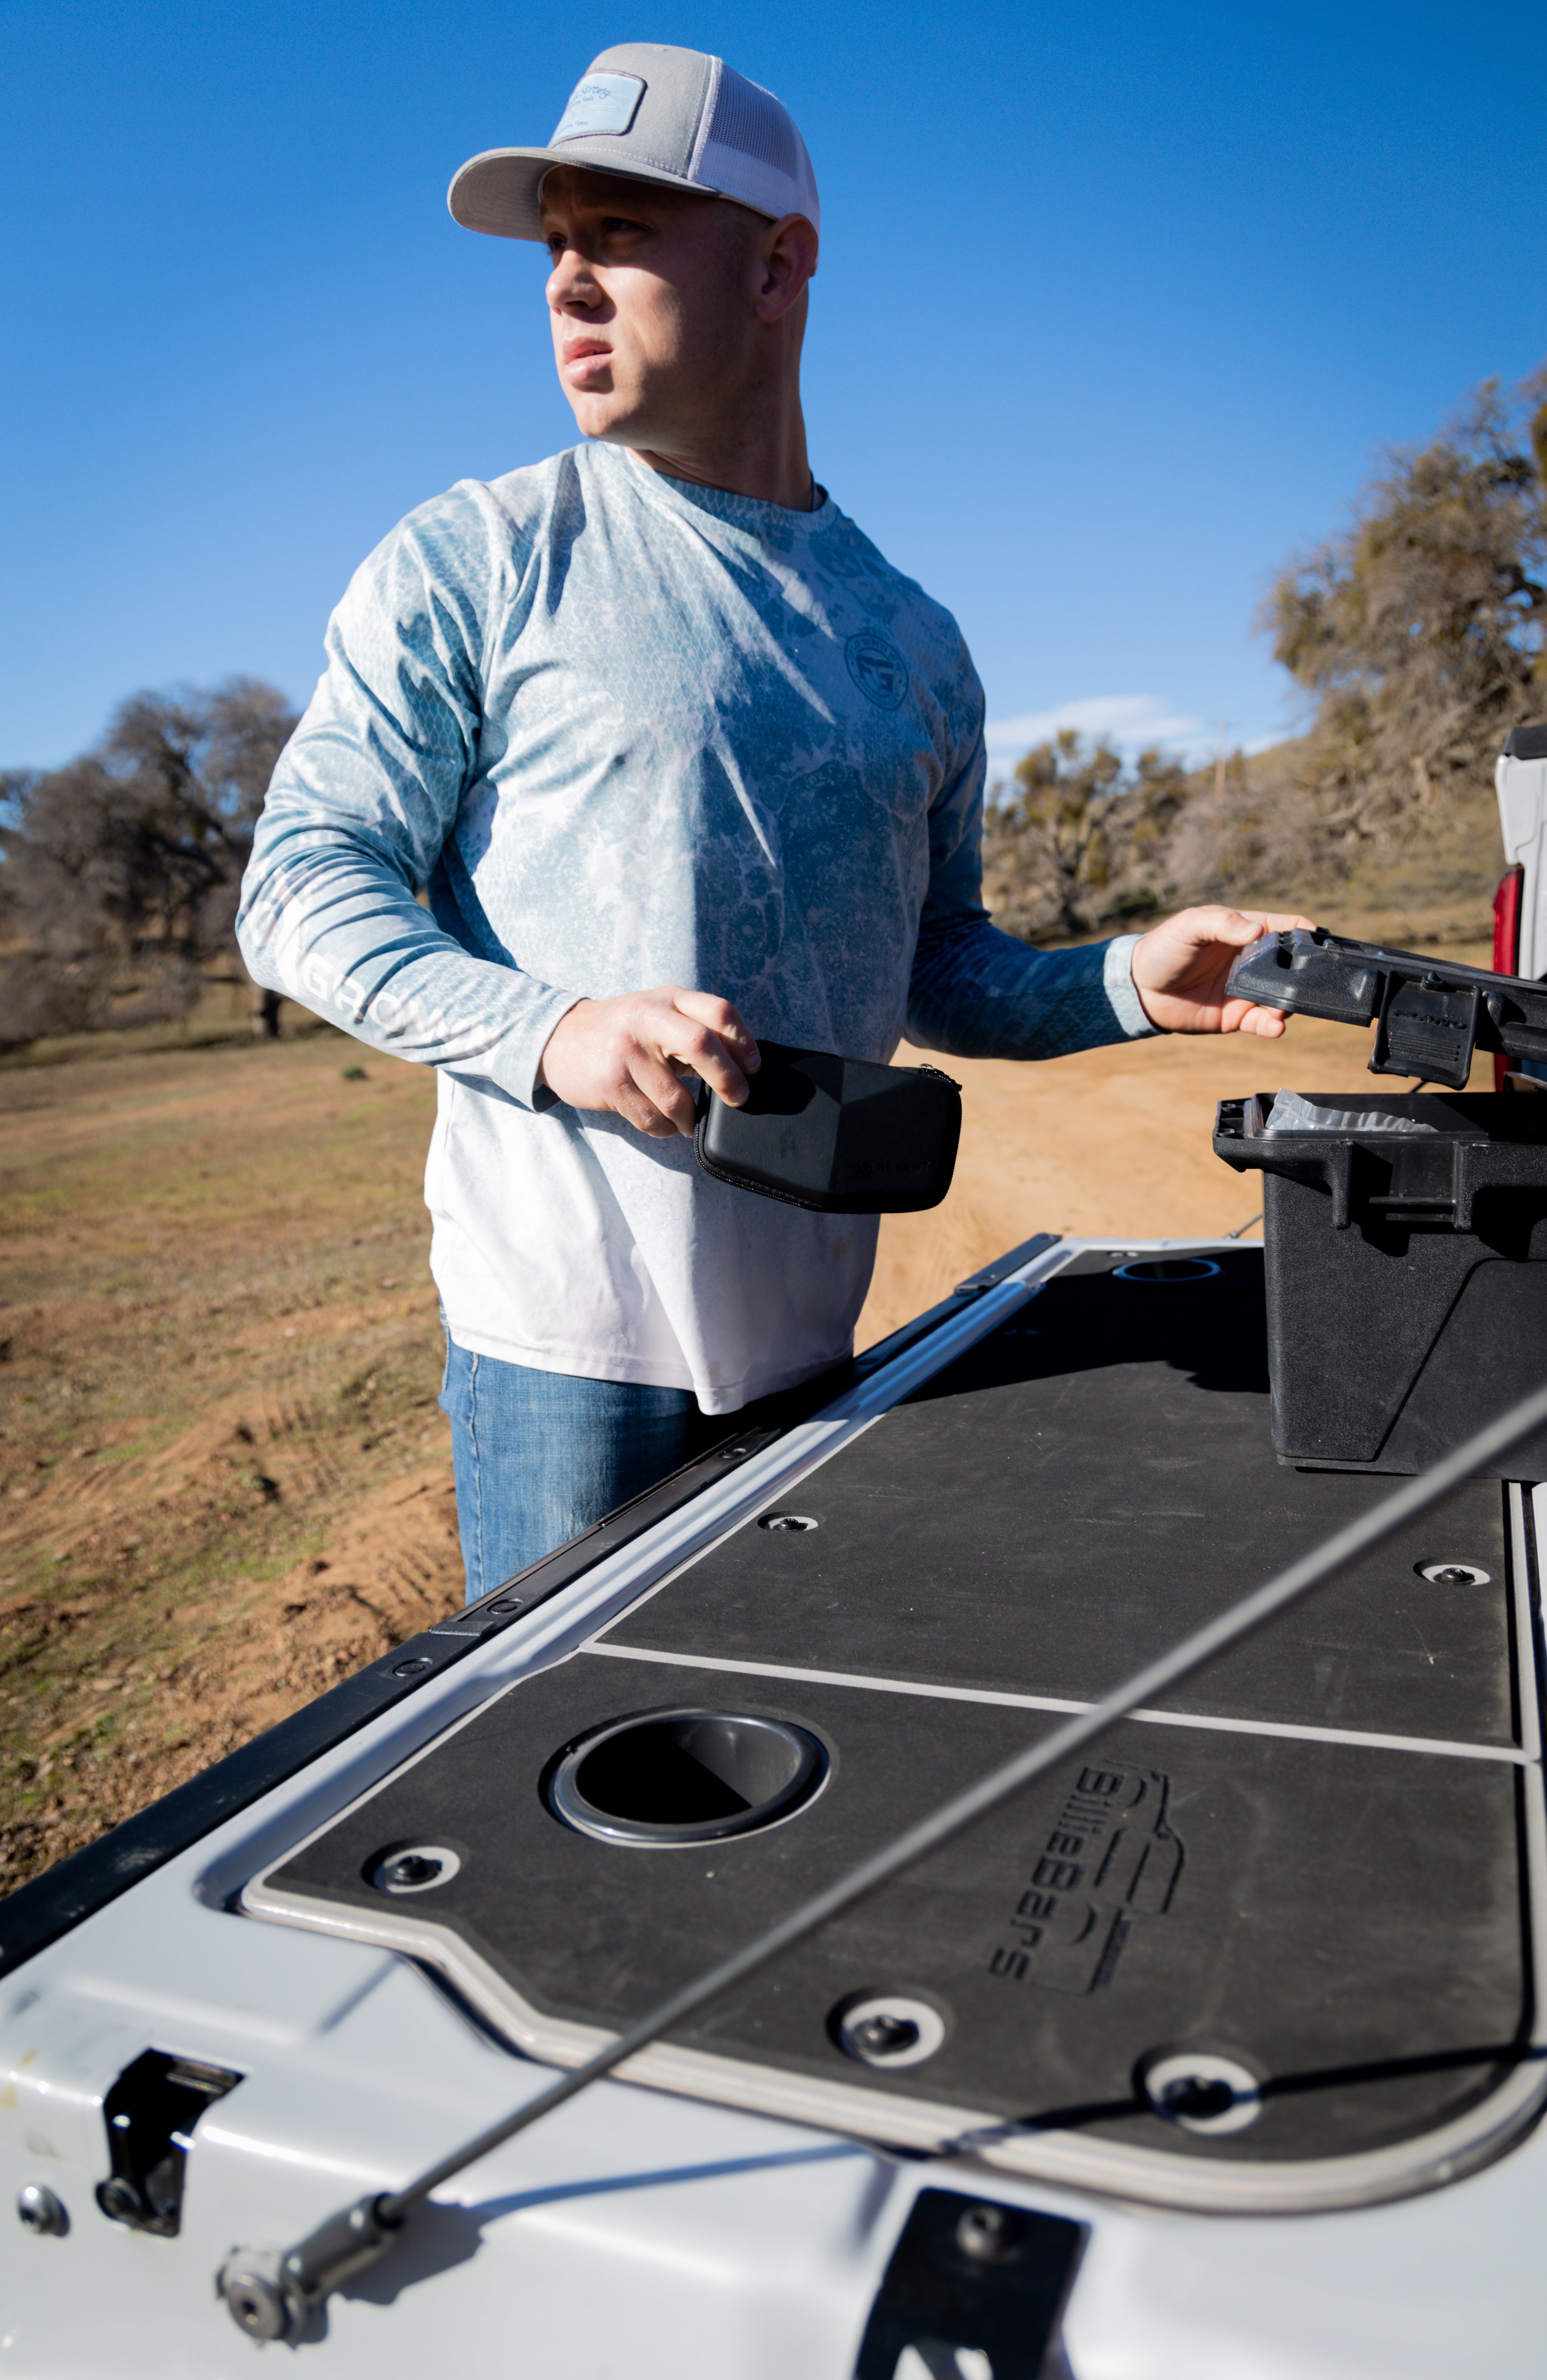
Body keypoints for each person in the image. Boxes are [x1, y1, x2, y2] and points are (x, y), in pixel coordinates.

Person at [238, 42, 1309, 1601]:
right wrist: (556, 1030)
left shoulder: (911, 638)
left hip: (816, 1346)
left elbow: (937, 965)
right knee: (539, 1790)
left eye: (619, 232)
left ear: (778, 261)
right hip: (563, 1359)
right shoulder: (474, 558)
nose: (567, 285)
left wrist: (1130, 981)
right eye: (555, 249)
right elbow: (301, 885)